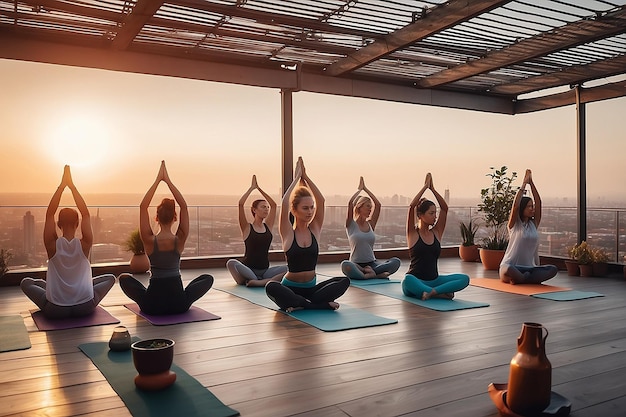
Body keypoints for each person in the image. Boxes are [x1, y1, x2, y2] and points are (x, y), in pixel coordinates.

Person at [118, 161, 213, 315]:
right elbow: (184, 206)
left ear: (156, 218)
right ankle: (183, 298)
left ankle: (147, 298)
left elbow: (143, 207)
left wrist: (158, 181)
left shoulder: (149, 240)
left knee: (123, 278)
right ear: (175, 217)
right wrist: (168, 181)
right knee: (207, 278)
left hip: (152, 305)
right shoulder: (179, 239)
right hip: (179, 303)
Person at [20, 166, 115, 319]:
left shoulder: (52, 245)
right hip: (85, 306)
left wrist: (62, 186)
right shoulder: (85, 244)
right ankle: (76, 290)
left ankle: (52, 290)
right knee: (110, 277)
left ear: (59, 224)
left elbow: (50, 213)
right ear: (77, 224)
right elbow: (85, 213)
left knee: (26, 282)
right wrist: (72, 186)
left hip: (56, 309)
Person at [265, 157, 350, 312]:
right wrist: (297, 178)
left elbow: (321, 201)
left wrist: (306, 176)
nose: (310, 212)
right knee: (271, 286)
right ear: (294, 210)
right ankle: (315, 305)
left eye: (311, 207)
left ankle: (303, 304)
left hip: (312, 290)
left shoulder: (315, 229)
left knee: (344, 281)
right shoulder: (288, 232)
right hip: (290, 289)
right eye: (305, 208)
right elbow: (284, 204)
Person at [402, 173, 469, 300]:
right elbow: (411, 207)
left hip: (435, 280)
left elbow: (444, 208)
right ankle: (440, 293)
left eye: (435, 213)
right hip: (415, 280)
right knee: (407, 280)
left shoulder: (436, 232)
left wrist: (432, 189)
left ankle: (433, 292)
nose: (435, 216)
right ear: (420, 215)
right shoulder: (413, 233)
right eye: (431, 213)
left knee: (464, 279)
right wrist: (424, 187)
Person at [226, 175, 288, 286]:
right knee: (231, 263)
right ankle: (253, 280)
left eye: (266, 207)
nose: (266, 209)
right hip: (249, 269)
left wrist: (259, 188)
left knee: (290, 268)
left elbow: (274, 205)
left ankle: (258, 281)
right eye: (263, 207)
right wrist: (252, 188)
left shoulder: (267, 226)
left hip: (265, 271)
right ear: (254, 210)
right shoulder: (247, 227)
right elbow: (240, 204)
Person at [499, 169, 558, 284]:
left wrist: (531, 183)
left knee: (553, 269)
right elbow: (515, 206)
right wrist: (524, 184)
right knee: (509, 269)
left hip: (530, 268)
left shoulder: (533, 224)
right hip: (512, 266)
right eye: (528, 207)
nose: (532, 209)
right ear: (522, 209)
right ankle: (523, 278)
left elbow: (539, 202)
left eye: (532, 206)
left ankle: (521, 279)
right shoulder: (514, 225)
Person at [341, 176, 401, 279]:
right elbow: (350, 204)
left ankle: (367, 274)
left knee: (396, 262)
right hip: (356, 264)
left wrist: (366, 189)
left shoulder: (370, 224)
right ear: (360, 206)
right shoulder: (351, 224)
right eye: (368, 206)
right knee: (345, 265)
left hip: (373, 263)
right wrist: (359, 190)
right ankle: (373, 274)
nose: (370, 209)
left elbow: (378, 205)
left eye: (370, 207)